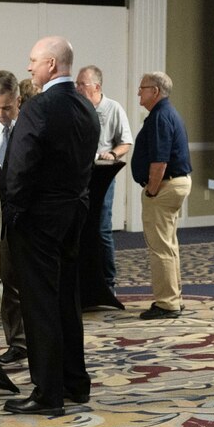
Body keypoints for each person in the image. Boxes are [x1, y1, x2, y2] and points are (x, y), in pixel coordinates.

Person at [4, 36, 97, 417]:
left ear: (53, 65)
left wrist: (11, 211)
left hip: (38, 218)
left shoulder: (39, 107)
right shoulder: (87, 106)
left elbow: (20, 167)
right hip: (74, 214)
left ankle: (47, 393)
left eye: (33, 61)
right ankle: (75, 382)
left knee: (39, 304)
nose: (28, 67)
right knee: (66, 301)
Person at [132, 71, 191, 320]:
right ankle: (174, 296)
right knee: (168, 244)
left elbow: (159, 161)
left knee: (161, 247)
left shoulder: (159, 117)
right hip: (174, 184)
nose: (138, 93)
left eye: (142, 88)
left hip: (165, 185)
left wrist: (152, 190)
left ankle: (167, 303)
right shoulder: (166, 113)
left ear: (155, 91)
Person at [0, 73, 29, 366]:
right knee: (2, 282)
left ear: (18, 102)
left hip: (22, 218)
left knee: (20, 282)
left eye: (6, 109)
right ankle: (17, 341)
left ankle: (26, 340)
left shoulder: (28, 130)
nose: (1, 115)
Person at [76, 65, 131, 290]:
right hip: (79, 176)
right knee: (80, 228)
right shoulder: (77, 108)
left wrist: (113, 154)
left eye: (82, 84)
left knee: (102, 229)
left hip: (102, 176)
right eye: (76, 84)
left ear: (96, 87)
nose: (77, 88)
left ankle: (108, 281)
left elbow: (126, 142)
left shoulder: (114, 108)